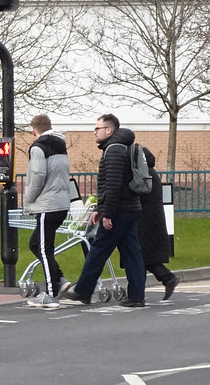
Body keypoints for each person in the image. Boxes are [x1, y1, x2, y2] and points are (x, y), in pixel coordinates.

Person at [62, 113, 147, 307]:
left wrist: (107, 213)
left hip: (119, 210)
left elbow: (113, 184)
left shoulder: (114, 150)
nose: (94, 133)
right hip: (130, 208)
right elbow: (112, 185)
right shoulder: (121, 147)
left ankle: (83, 291)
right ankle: (136, 295)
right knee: (132, 252)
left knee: (98, 249)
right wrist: (101, 208)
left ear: (109, 130)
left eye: (97, 129)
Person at [22, 114, 71, 309]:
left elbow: (38, 176)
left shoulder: (38, 147)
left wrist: (28, 200)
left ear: (34, 130)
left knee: (44, 248)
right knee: (36, 243)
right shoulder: (60, 145)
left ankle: (51, 293)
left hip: (47, 205)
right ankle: (59, 279)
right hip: (61, 203)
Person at [134, 146, 179, 300]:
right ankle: (166, 278)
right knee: (143, 256)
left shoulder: (144, 174)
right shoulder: (151, 173)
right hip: (152, 220)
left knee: (138, 255)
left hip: (144, 220)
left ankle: (166, 278)